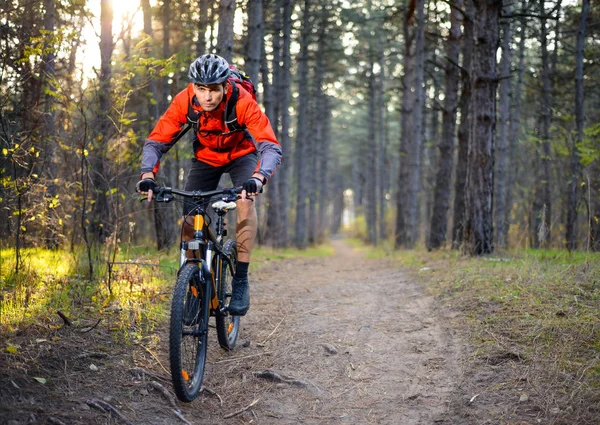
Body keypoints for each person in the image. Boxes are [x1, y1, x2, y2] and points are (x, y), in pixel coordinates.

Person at [137, 54, 282, 316]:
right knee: (189, 219)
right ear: (193, 86)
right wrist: (148, 174)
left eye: (214, 89)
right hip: (206, 158)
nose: (207, 96)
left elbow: (270, 146)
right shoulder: (185, 101)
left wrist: (258, 178)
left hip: (242, 156)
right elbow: (157, 140)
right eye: (201, 89)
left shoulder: (242, 102)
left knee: (245, 201)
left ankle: (240, 280)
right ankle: (193, 289)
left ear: (225, 86)